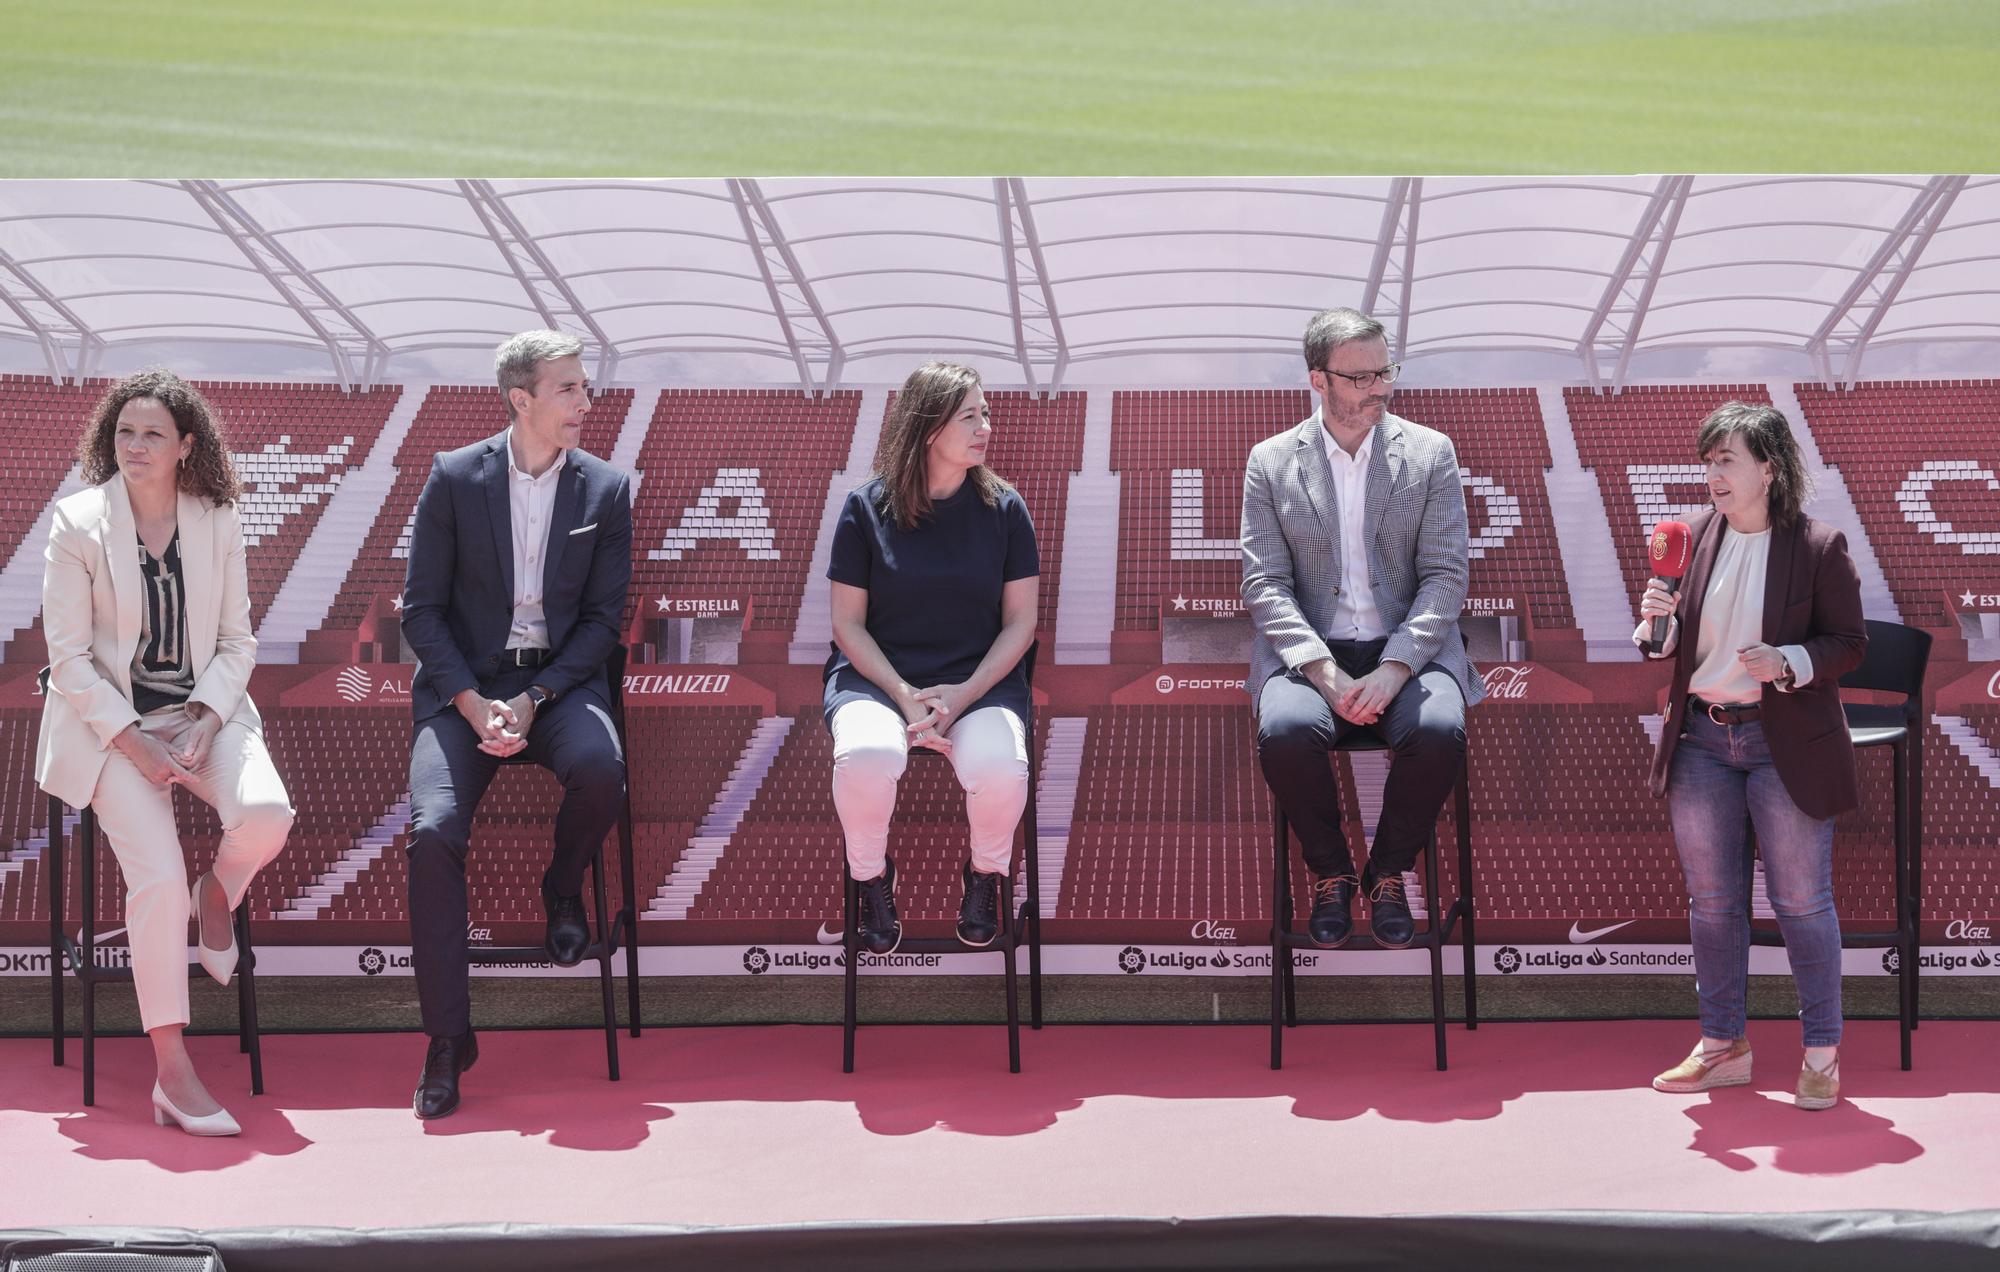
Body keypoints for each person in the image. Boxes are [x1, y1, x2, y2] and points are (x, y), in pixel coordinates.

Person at [37, 370, 294, 1136]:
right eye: (124, 433)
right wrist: (133, 741)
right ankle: (172, 1072)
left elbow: (237, 639)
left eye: (152, 433)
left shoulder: (217, 518)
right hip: (106, 729)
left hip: (201, 714)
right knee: (156, 873)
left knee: (266, 813)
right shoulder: (77, 522)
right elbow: (70, 658)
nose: (135, 446)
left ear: (187, 446)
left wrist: (210, 719)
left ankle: (219, 894)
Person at [401, 330, 632, 1120]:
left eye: (585, 387)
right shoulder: (454, 477)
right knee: (433, 829)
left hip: (559, 687)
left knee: (602, 773)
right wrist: (472, 702)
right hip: (463, 691)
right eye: (569, 389)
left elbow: (603, 624)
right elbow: (421, 612)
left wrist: (536, 702)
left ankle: (562, 891)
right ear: (521, 398)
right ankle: (447, 1038)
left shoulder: (606, 488)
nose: (586, 403)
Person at [1638, 402, 1866, 1111]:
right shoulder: (1689, 538)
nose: (1713, 474)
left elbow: (1850, 643)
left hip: (1783, 743)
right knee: (1713, 906)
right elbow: (1661, 649)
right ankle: (1722, 1047)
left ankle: (1822, 1055)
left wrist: (1790, 659)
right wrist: (1654, 622)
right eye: (1707, 461)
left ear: (1769, 468)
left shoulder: (1819, 545)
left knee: (1801, 903)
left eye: (1726, 460)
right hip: (1702, 739)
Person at [1242, 307, 1482, 950]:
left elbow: (1446, 575)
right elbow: (1263, 583)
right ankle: (1331, 873)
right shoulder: (1269, 462)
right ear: (1318, 381)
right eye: (1362, 377)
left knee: (1439, 731)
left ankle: (1389, 871)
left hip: (1412, 652)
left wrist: (1397, 665)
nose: (1381, 387)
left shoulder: (1431, 453)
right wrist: (1320, 671)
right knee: (1286, 731)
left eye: (1386, 371)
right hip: (1311, 653)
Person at [824, 361, 1038, 956]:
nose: (986, 427)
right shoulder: (865, 508)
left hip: (978, 684)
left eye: (986, 413)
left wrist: (963, 695)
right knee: (866, 754)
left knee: (999, 768)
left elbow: (1022, 622)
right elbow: (847, 624)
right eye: (970, 415)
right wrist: (903, 694)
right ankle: (870, 880)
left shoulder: (1005, 509)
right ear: (927, 426)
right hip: (878, 681)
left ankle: (985, 876)